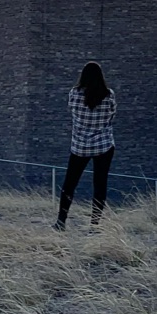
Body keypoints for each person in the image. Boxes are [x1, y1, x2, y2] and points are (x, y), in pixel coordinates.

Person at [54, 61, 116, 230]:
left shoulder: (74, 94)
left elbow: (72, 111)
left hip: (80, 146)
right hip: (103, 145)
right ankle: (95, 224)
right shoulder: (109, 95)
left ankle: (61, 221)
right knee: (100, 184)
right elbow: (111, 116)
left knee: (69, 184)